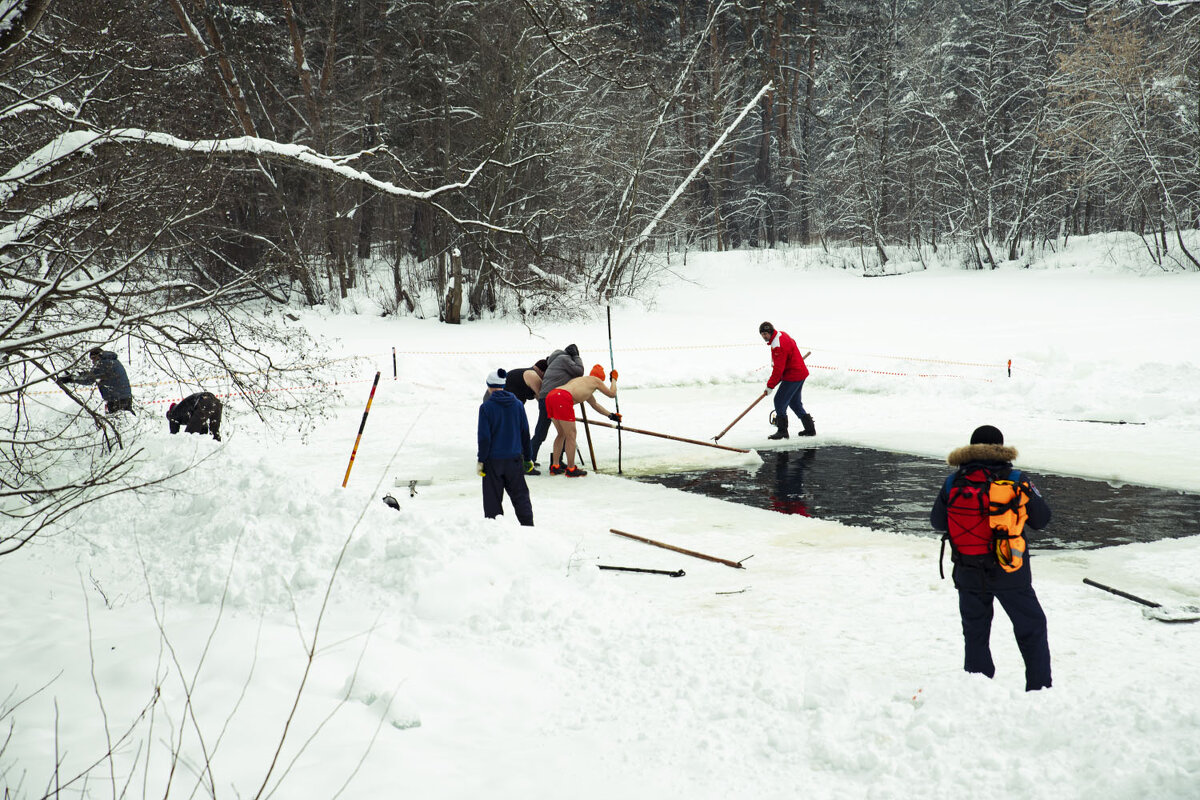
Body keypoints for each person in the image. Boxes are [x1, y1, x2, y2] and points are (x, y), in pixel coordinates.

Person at [930, 424, 1053, 692]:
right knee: (1031, 627)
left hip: (968, 568)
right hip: (1010, 569)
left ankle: (977, 687)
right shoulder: (1017, 478)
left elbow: (937, 521)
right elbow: (1042, 520)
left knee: (975, 631)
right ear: (1001, 448)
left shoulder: (953, 481)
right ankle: (1039, 689)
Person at [477, 368, 535, 525]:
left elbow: (484, 438)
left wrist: (481, 460)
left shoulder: (486, 407)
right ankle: (528, 527)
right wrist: (528, 458)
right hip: (514, 460)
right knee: (520, 496)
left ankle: (495, 530)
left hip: (493, 462)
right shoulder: (517, 405)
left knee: (492, 500)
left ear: (489, 386)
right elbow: (525, 433)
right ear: (503, 385)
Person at [545, 364, 619, 477]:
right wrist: (614, 379)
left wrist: (611, 415)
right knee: (571, 435)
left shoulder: (583, 382)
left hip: (552, 395)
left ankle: (555, 466)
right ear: (601, 378)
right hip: (563, 397)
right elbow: (612, 394)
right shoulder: (596, 380)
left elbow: (595, 405)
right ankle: (571, 468)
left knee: (561, 434)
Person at [529, 344, 584, 467]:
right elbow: (579, 371)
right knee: (561, 432)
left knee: (549, 431)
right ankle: (532, 459)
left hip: (547, 398)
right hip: (555, 398)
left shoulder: (555, 360)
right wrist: (576, 357)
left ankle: (551, 460)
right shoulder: (564, 359)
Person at [759, 321, 813, 439]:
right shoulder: (781, 334)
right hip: (799, 372)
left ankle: (782, 431)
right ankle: (810, 429)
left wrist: (770, 386)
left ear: (771, 331)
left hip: (793, 375)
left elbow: (778, 369)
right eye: (762, 334)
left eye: (766, 333)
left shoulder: (777, 345)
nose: (764, 336)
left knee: (779, 401)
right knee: (794, 402)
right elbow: (792, 345)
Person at [60, 347, 133, 414]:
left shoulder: (103, 363)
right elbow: (95, 375)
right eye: (92, 359)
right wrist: (80, 374)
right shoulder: (112, 361)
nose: (93, 361)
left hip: (116, 400)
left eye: (94, 358)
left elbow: (89, 380)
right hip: (124, 398)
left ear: (99, 355)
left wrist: (71, 379)